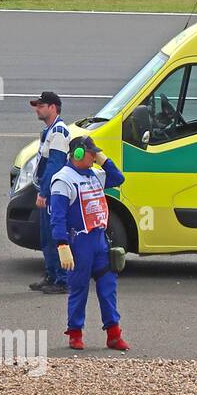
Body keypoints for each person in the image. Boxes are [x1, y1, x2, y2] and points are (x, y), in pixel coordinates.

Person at [48, 136, 130, 351]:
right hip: (79, 241)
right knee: (79, 288)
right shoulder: (63, 180)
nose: (94, 156)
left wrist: (103, 159)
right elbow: (57, 216)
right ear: (77, 154)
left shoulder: (95, 174)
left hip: (99, 240)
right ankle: (75, 333)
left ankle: (114, 334)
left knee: (108, 286)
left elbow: (118, 178)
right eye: (91, 152)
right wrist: (62, 245)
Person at [30, 91, 70, 294]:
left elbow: (54, 165)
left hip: (54, 194)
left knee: (55, 236)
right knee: (46, 237)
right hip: (48, 191)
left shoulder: (59, 132)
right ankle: (51, 274)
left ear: (52, 107)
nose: (37, 109)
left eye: (41, 105)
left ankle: (62, 281)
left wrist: (44, 192)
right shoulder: (50, 130)